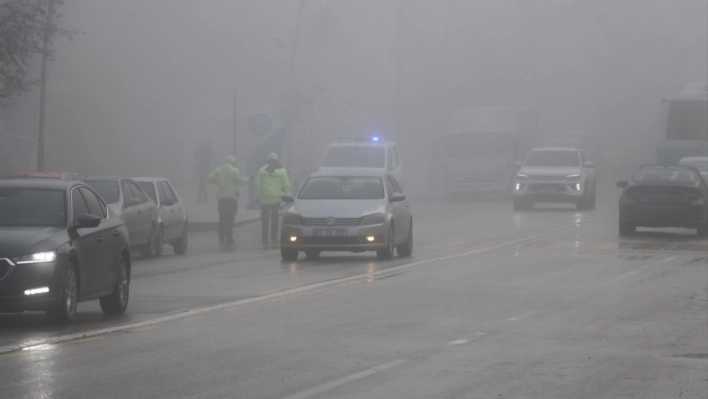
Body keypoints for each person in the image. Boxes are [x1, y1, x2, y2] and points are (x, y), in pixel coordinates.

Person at [207, 156, 250, 244]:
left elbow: (210, 180)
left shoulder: (218, 170)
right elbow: (241, 181)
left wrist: (216, 180)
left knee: (222, 218)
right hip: (231, 199)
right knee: (230, 218)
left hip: (221, 199)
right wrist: (249, 179)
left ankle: (221, 237)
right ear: (233, 163)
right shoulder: (234, 170)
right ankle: (229, 236)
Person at [254, 153, 291, 241]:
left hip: (265, 198)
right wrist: (288, 196)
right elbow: (286, 185)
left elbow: (258, 185)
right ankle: (274, 235)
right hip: (276, 198)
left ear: (267, 160)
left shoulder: (262, 170)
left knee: (265, 218)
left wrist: (256, 197)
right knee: (275, 217)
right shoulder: (282, 170)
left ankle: (265, 235)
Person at [194, 139, 216, 203]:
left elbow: (195, 156)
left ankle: (205, 197)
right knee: (203, 181)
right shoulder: (208, 149)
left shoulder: (199, 149)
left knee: (202, 181)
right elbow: (214, 156)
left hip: (199, 167)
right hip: (206, 166)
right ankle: (199, 196)